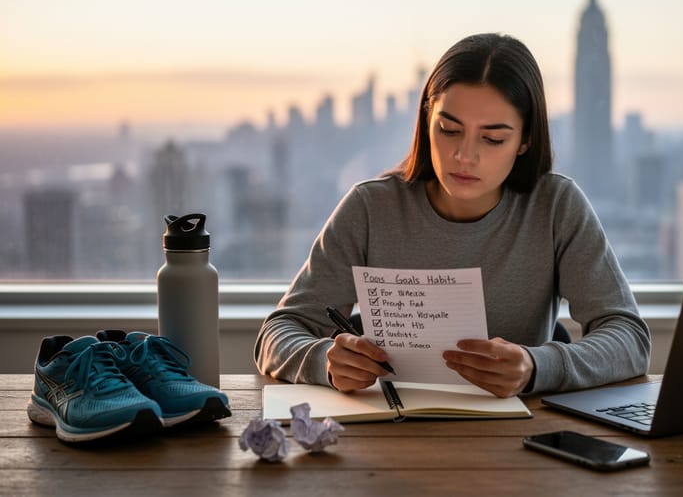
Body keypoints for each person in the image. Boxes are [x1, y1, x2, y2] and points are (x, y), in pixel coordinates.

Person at [254, 32, 650, 398]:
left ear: (525, 140)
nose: (465, 156)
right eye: (448, 129)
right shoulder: (370, 209)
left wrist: (536, 366)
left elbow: (629, 338)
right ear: (427, 119)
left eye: (493, 138)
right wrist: (325, 361)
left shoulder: (556, 207)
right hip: (386, 436)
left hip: (515, 437)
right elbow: (277, 333)